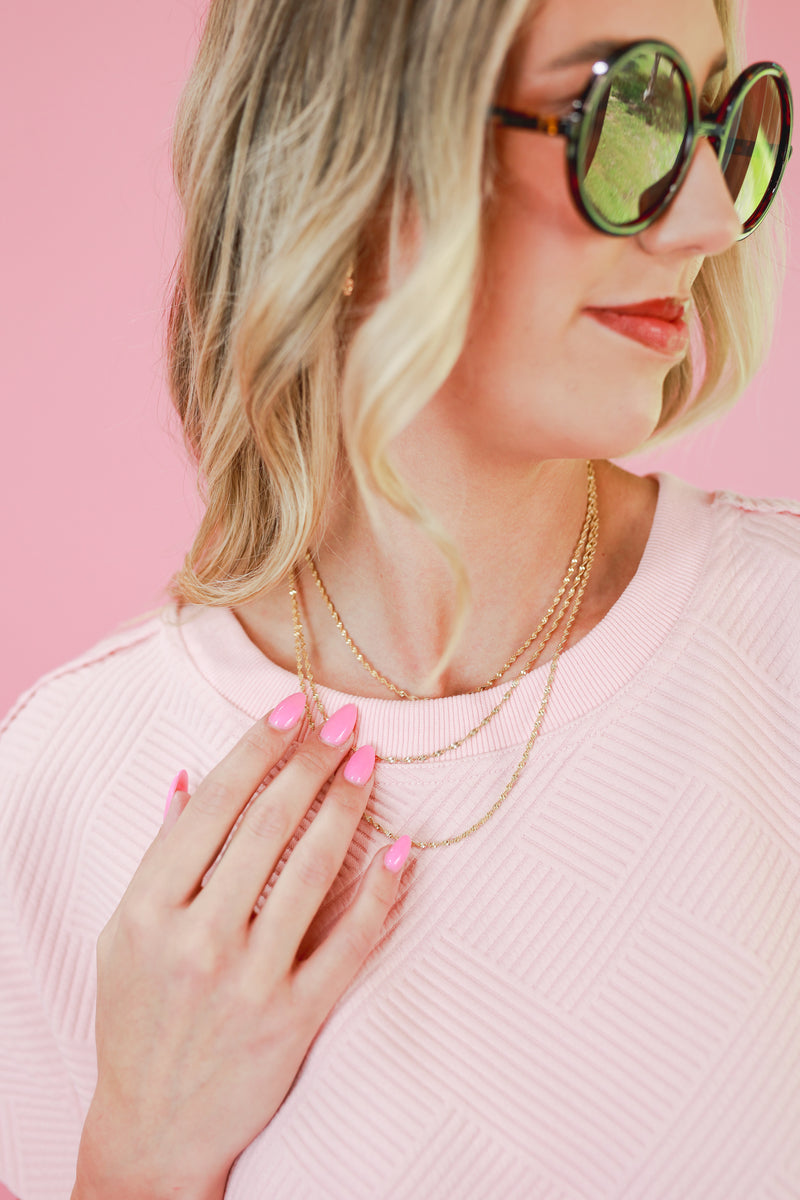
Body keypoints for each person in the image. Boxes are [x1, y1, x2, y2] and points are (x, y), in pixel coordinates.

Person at [1, 0, 798, 1196]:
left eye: (715, 127)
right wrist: (139, 1162)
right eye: (622, 119)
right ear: (353, 167)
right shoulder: (67, 782)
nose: (705, 219)